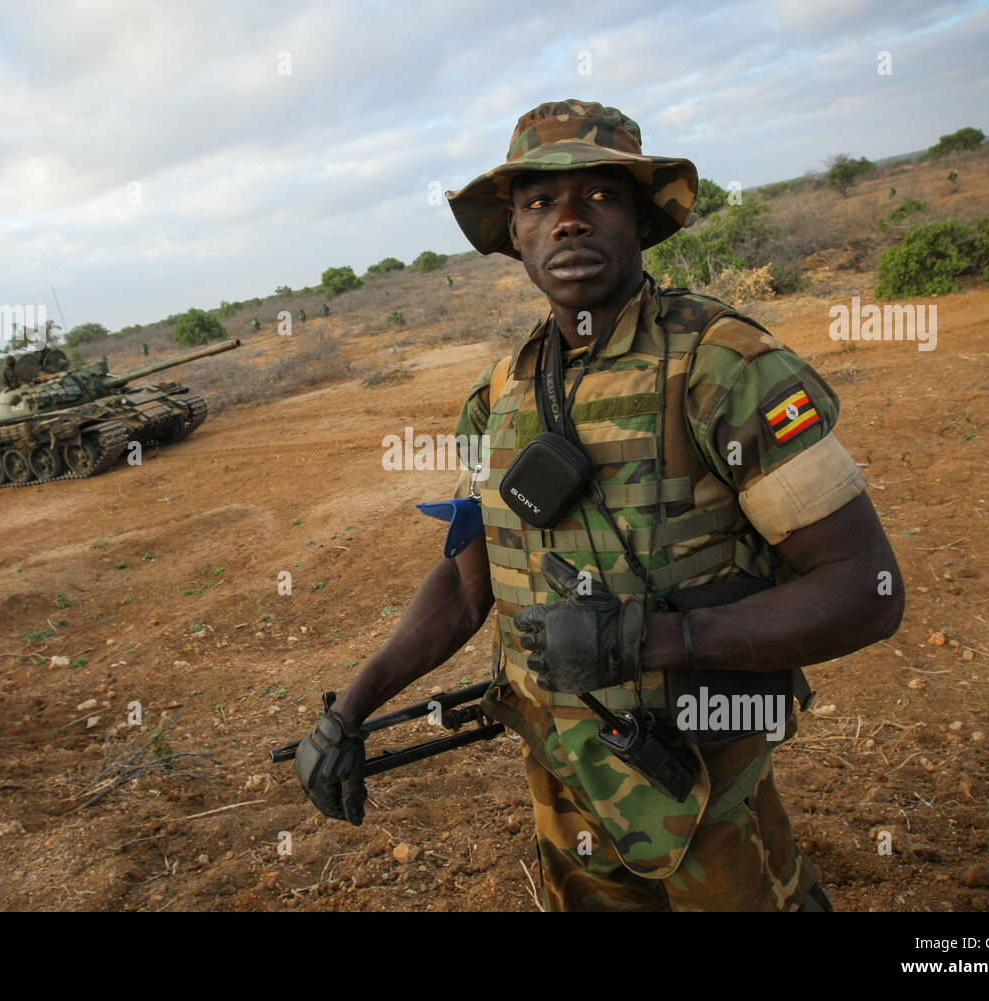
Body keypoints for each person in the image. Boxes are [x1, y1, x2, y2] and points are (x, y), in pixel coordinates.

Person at [293, 99, 904, 912]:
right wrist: (353, 709)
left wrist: (657, 639)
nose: (568, 221)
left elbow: (866, 586)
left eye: (600, 197)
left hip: (698, 775)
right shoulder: (499, 394)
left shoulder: (720, 367)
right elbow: (471, 584)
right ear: (513, 231)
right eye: (540, 203)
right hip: (562, 782)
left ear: (640, 219)